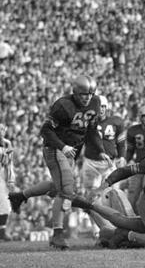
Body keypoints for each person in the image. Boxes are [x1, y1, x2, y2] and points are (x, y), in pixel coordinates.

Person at [10, 75, 108, 250]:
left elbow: (91, 130)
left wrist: (101, 150)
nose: (87, 97)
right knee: (66, 190)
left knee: (57, 187)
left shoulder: (95, 103)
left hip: (71, 152)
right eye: (83, 94)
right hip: (55, 148)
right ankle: (57, 235)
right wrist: (63, 147)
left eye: (90, 93)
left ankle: (20, 196)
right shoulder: (63, 106)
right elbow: (45, 131)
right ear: (75, 92)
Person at [82, 95, 126, 198]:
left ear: (106, 107)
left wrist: (122, 156)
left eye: (103, 106)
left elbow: (121, 141)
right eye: (98, 106)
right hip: (92, 163)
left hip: (109, 164)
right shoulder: (86, 122)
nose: (100, 109)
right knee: (92, 196)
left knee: (114, 194)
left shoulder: (116, 122)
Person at [0, 124, 15, 242]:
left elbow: (9, 164)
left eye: (3, 130)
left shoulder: (7, 144)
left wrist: (11, 179)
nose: (1, 132)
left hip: (1, 174)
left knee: (5, 203)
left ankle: (2, 231)